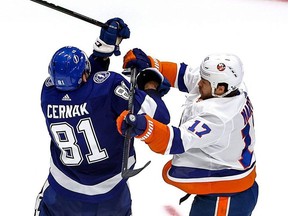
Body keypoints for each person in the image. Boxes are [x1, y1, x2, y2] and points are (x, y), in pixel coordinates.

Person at [34, 19, 170, 216]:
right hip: (111, 194)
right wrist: (150, 85)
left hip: (62, 194)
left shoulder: (48, 93)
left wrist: (103, 48)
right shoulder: (110, 87)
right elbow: (160, 115)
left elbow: (85, 90)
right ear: (84, 76)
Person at [117, 48, 258, 216]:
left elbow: (177, 141)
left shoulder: (219, 117)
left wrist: (144, 127)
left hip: (226, 196)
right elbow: (185, 75)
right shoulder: (226, 88)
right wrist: (152, 65)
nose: (199, 83)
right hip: (221, 183)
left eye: (204, 81)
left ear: (220, 89)